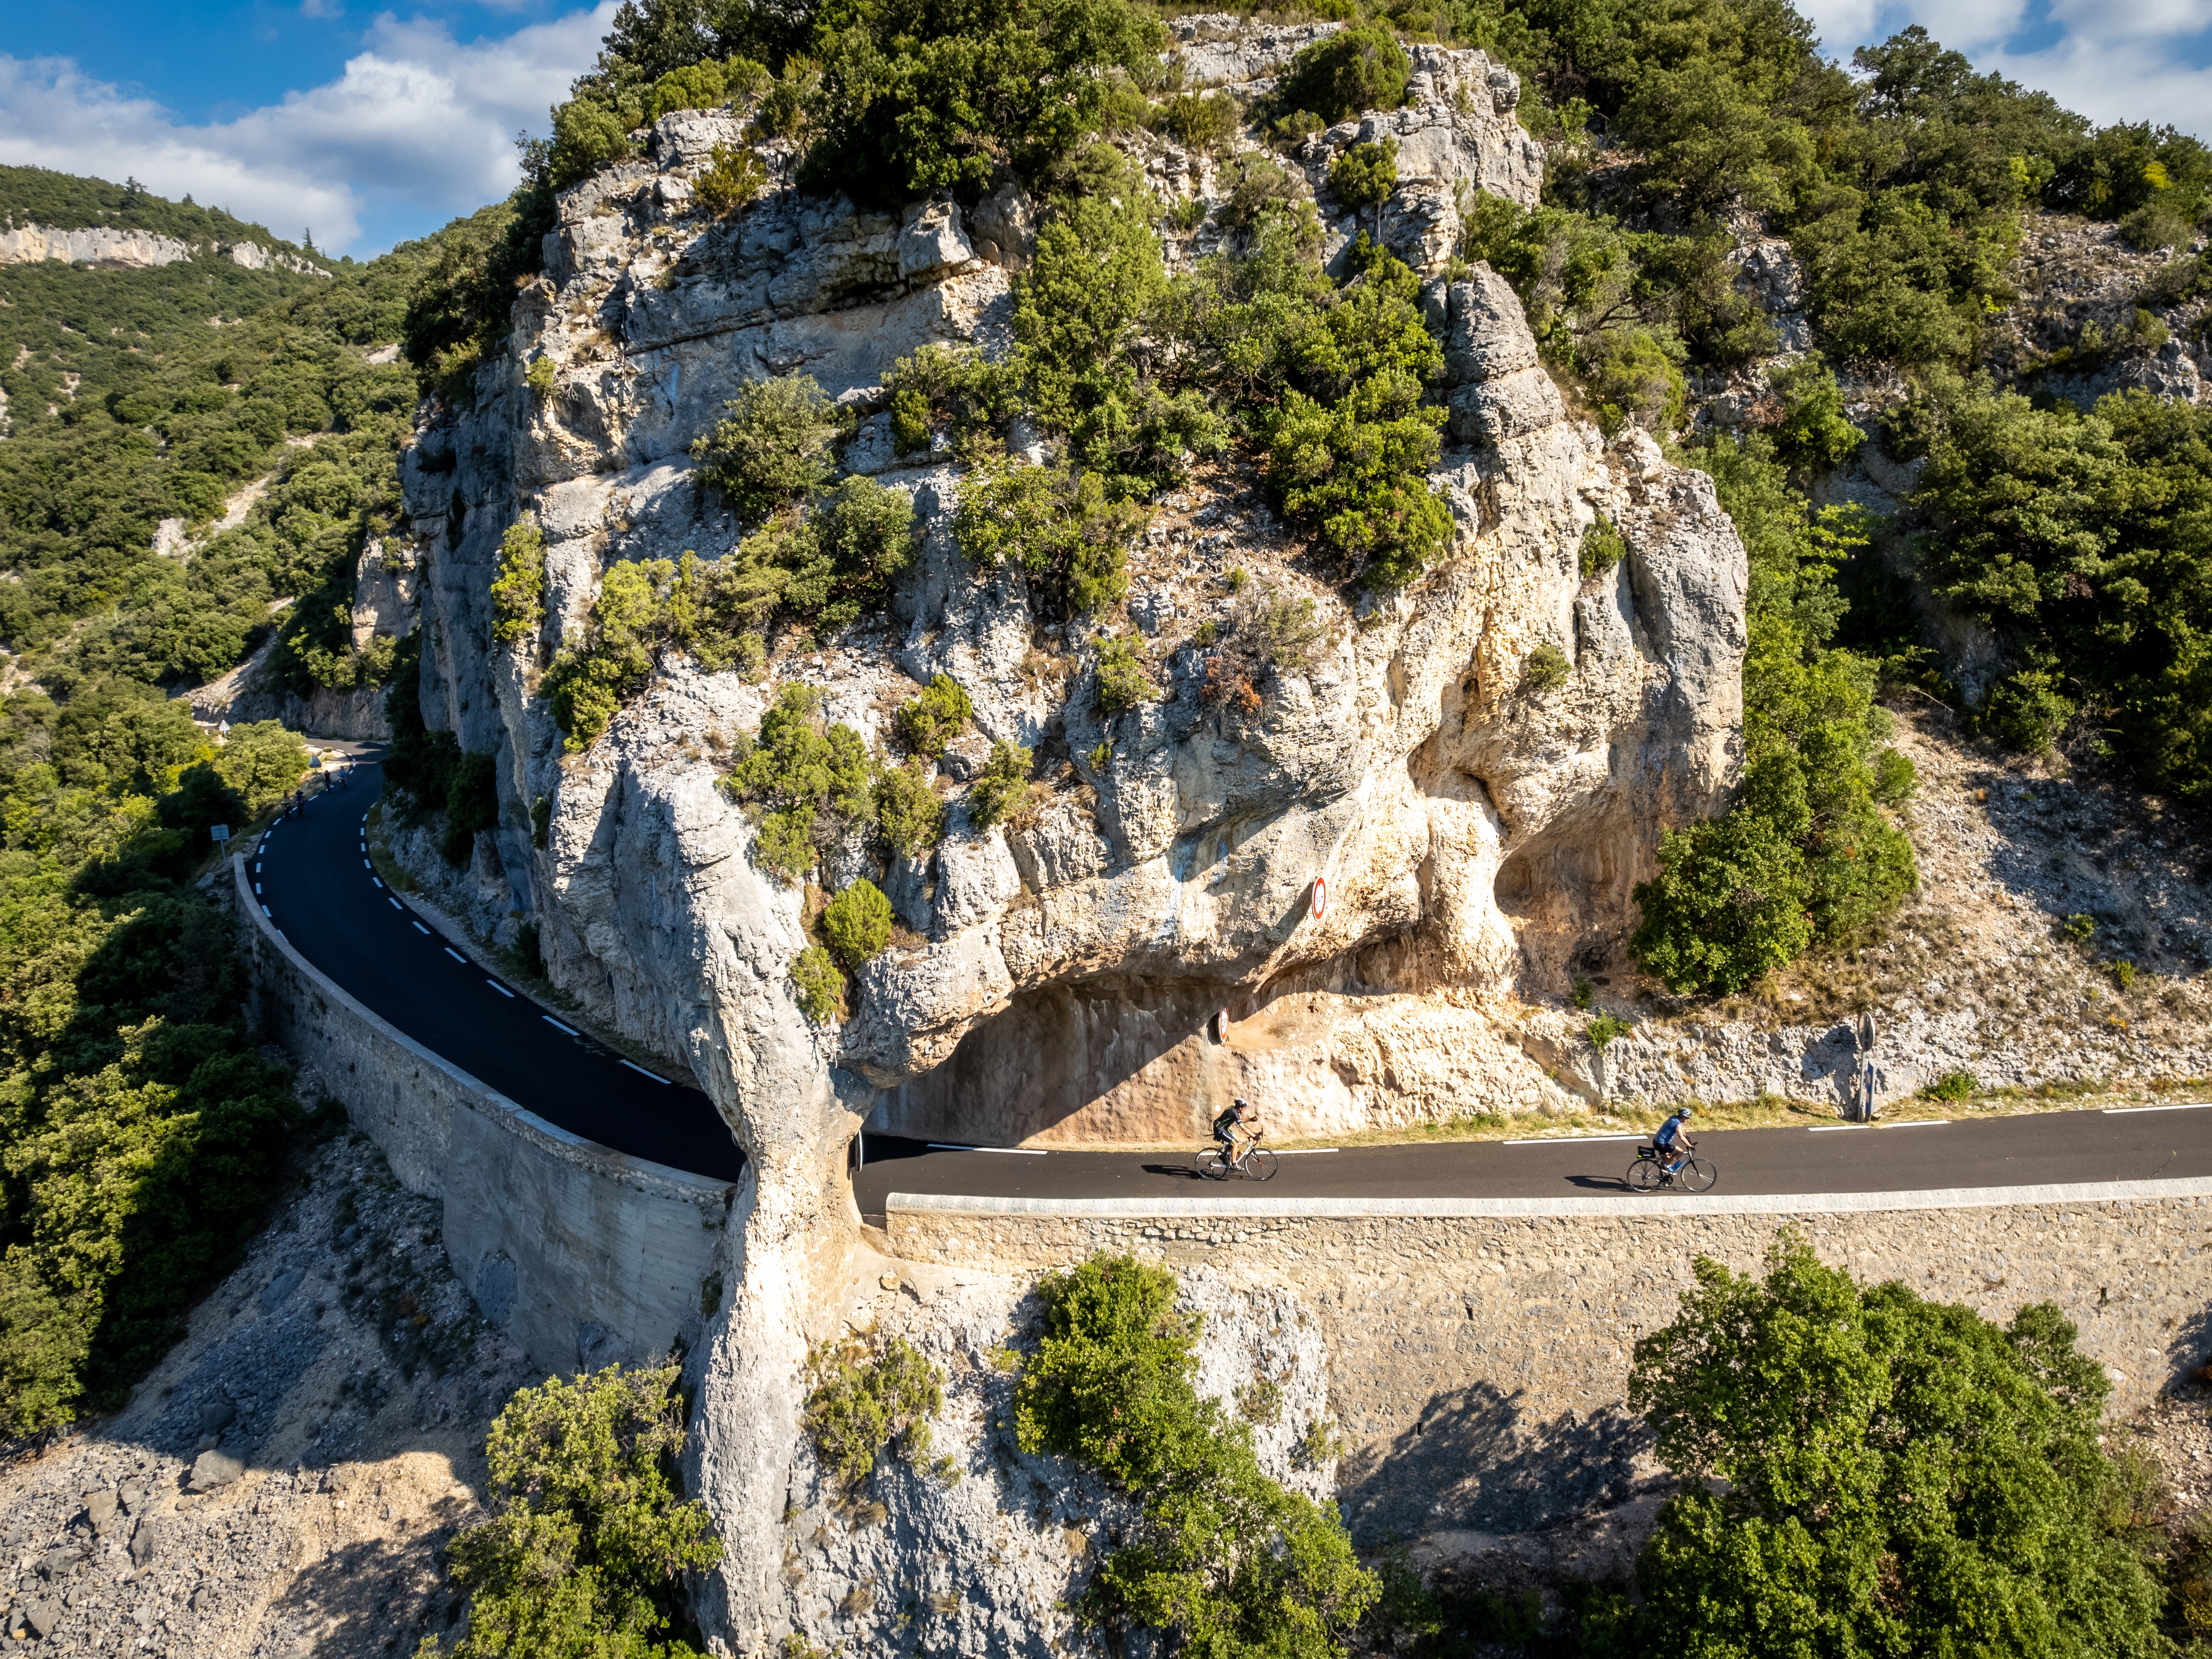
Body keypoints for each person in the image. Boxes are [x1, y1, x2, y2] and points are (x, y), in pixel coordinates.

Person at [1212, 1097, 1260, 1167]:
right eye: (1244, 1107)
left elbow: (1239, 1119)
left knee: (1237, 1140)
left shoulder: (1235, 1110)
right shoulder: (1234, 1112)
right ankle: (1234, 1164)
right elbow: (1243, 1129)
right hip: (1219, 1129)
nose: (1245, 1109)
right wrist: (1254, 1136)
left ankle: (1224, 1155)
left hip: (1224, 1128)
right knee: (1235, 1144)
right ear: (1240, 1107)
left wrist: (1249, 1120)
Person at [1651, 1108, 1695, 1176]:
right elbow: (1681, 1137)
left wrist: (1686, 1136)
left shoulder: (1674, 1117)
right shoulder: (1677, 1125)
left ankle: (1662, 1177)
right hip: (1662, 1144)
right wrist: (1690, 1146)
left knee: (1668, 1160)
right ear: (1683, 1118)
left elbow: (1681, 1130)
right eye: (1687, 1118)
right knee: (1680, 1152)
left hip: (1657, 1142)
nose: (1688, 1120)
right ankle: (1667, 1168)